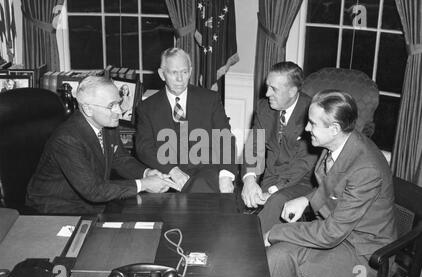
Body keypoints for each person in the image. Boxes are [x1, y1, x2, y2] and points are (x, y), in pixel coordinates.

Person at [265, 90, 397, 277]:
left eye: (312, 123)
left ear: (335, 128)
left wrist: (274, 233)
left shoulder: (366, 169)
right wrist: (307, 198)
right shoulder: (340, 142)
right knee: (276, 260)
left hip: (367, 260)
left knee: (276, 262)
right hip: (342, 236)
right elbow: (338, 184)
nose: (307, 129)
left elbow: (330, 233)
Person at [26, 76, 173, 214]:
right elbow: (93, 190)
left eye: (119, 103)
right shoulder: (67, 139)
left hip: (92, 204)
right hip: (55, 210)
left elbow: (120, 159)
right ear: (88, 109)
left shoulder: (108, 124)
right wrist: (144, 184)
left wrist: (145, 173)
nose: (119, 111)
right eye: (111, 106)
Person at [136, 47, 237, 193]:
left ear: (190, 72)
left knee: (201, 186)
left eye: (184, 72)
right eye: (173, 73)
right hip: (167, 173)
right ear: (162, 74)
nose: (180, 79)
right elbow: (144, 148)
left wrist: (226, 176)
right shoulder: (147, 107)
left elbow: (225, 139)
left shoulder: (210, 99)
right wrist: (172, 170)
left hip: (205, 170)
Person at [241, 62, 319, 233]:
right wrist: (249, 179)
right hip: (269, 177)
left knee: (271, 208)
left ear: (292, 91)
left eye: (274, 89)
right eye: (267, 86)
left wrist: (273, 191)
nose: (267, 93)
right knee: (241, 208)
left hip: (302, 181)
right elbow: (255, 145)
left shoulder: (313, 112)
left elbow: (303, 164)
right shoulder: (264, 107)